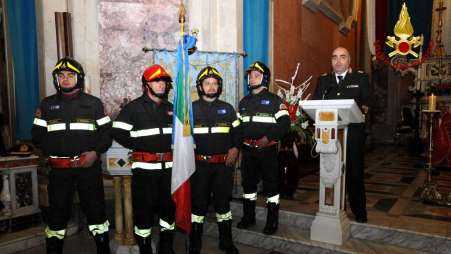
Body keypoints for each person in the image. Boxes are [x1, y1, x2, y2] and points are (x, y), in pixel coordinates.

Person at [31, 57, 112, 254]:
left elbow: (107, 134)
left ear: (79, 78)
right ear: (56, 79)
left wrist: (95, 153)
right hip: (59, 173)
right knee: (56, 218)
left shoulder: (94, 104)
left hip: (88, 170)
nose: (65, 79)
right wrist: (56, 154)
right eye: (61, 75)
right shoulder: (47, 105)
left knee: (96, 215)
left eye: (70, 75)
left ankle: (103, 249)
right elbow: (37, 137)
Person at [111, 64, 175, 254]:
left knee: (168, 211)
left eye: (164, 81)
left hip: (169, 169)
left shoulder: (171, 108)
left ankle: (166, 247)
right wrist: (139, 145)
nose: (162, 85)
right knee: (144, 212)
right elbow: (118, 131)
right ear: (146, 84)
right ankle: (145, 248)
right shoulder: (133, 108)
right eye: (157, 81)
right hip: (145, 170)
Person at [313, 46, 369, 223]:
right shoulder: (323, 81)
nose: (338, 61)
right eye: (334, 57)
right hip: (329, 134)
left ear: (349, 61)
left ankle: (359, 210)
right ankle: (331, 205)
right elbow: (315, 105)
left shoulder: (360, 78)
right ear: (331, 61)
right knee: (329, 171)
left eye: (342, 57)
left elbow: (368, 104)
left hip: (352, 135)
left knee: (354, 172)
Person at [189, 66, 240, 254]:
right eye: (207, 83)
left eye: (214, 83)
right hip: (199, 166)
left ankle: (226, 242)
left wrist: (235, 147)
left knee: (223, 205)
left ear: (219, 87)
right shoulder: (190, 109)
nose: (211, 87)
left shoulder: (227, 109)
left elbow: (237, 132)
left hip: (222, 167)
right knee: (198, 206)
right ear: (200, 87)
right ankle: (195, 243)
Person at [236, 61, 290, 235]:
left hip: (267, 151)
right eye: (250, 76)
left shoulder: (275, 101)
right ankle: (248, 217)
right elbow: (238, 127)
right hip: (248, 152)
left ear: (265, 78)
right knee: (248, 186)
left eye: (256, 75)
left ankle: (272, 222)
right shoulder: (243, 102)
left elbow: (285, 124)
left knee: (271, 187)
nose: (252, 78)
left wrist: (268, 139)